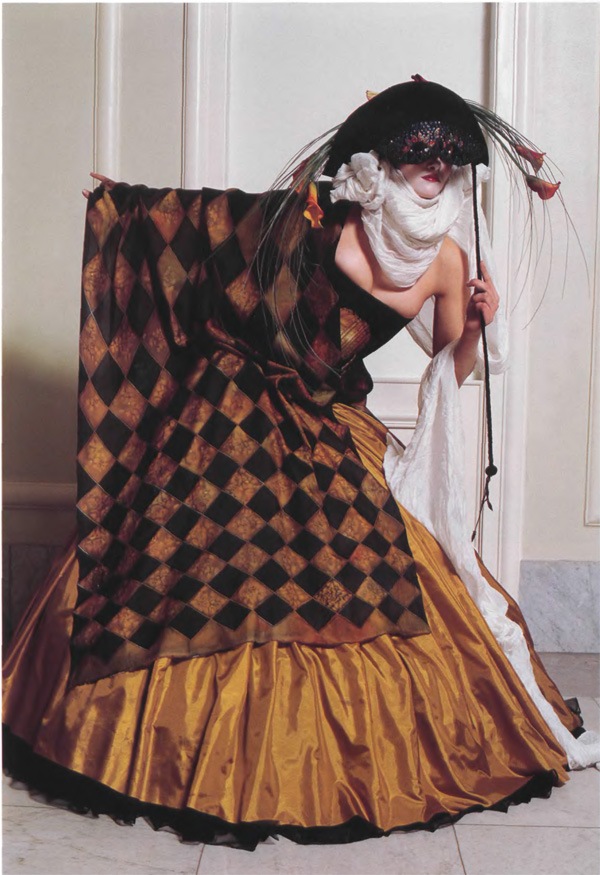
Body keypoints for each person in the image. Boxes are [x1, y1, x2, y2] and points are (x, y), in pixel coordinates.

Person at [3, 77, 598, 850]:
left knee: (368, 575)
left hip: (324, 420)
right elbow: (212, 225)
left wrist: (480, 327)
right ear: (382, 157)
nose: (434, 165)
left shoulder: (450, 262)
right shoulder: (325, 215)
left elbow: (453, 365)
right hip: (230, 406)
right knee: (193, 562)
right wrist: (126, 207)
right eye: (418, 149)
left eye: (448, 157)